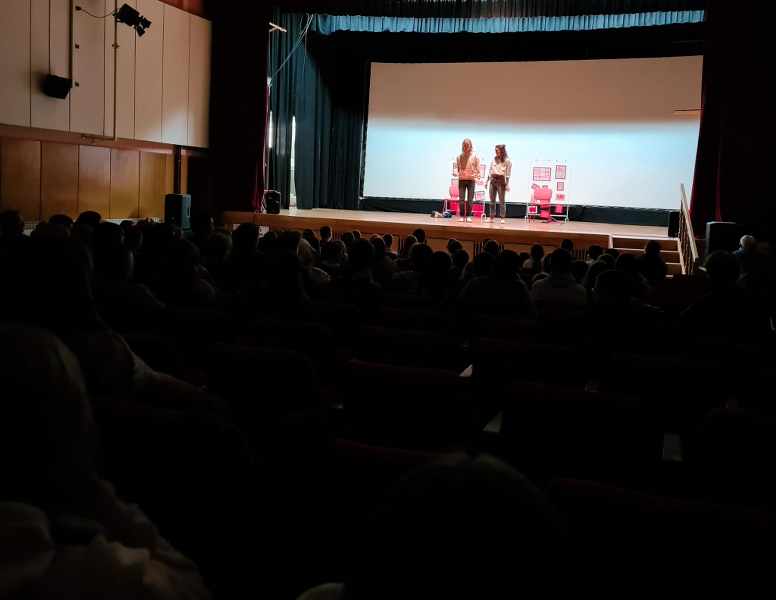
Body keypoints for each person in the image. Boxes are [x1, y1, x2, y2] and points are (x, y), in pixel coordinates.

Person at [454, 138, 481, 223]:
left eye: (467, 145)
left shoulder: (475, 157)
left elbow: (478, 169)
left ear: (470, 146)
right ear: (462, 146)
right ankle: (462, 216)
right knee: (461, 200)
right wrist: (456, 172)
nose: (465, 147)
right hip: (462, 180)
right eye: (464, 145)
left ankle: (469, 216)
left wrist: (476, 175)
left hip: (471, 180)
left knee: (470, 200)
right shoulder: (459, 157)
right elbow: (457, 168)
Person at [485, 144, 511, 223]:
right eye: (495, 150)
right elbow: (490, 170)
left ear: (502, 151)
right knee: (492, 200)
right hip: (493, 179)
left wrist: (507, 184)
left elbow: (508, 174)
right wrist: (487, 181)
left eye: (497, 150)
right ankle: (491, 217)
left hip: (501, 180)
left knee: (501, 200)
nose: (496, 152)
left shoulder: (507, 160)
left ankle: (502, 218)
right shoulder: (494, 159)